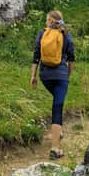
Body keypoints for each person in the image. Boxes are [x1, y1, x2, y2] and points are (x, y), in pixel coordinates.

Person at [30, 10, 75, 159]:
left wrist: (33, 76)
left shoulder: (42, 34)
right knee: (57, 108)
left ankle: (57, 132)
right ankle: (55, 149)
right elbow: (71, 58)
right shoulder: (66, 35)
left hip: (45, 76)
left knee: (56, 100)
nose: (45, 22)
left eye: (46, 20)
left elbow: (36, 56)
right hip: (61, 76)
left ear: (50, 21)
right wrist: (67, 75)